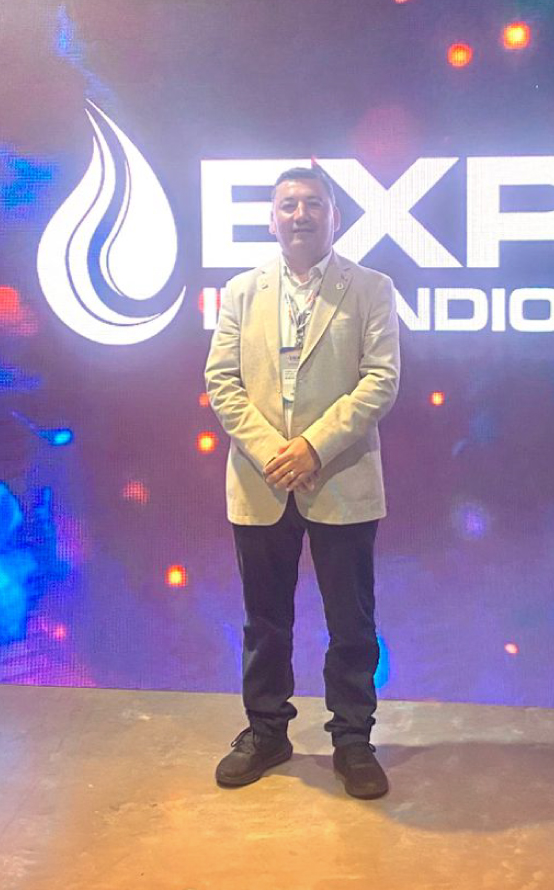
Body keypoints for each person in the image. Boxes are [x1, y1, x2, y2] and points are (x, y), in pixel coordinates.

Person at [203, 165, 400, 799]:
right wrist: (274, 452)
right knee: (265, 621)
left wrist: (313, 447)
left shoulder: (370, 288)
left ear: (334, 216)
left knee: (352, 623)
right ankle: (266, 733)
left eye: (313, 203)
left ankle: (353, 741)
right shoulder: (241, 291)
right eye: (288, 204)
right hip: (262, 481)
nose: (300, 214)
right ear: (271, 219)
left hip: (341, 477)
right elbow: (222, 382)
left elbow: (381, 380)